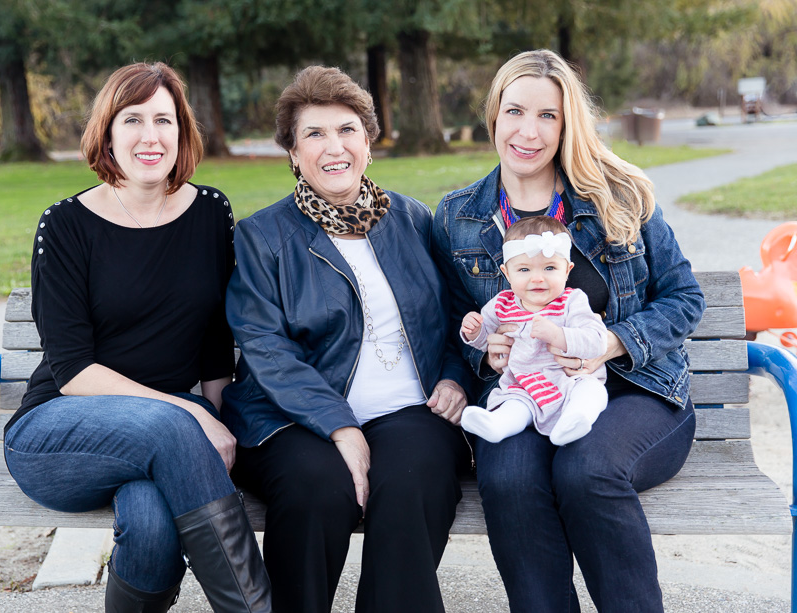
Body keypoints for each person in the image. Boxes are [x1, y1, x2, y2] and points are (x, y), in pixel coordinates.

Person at [432, 49, 705, 611]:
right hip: (527, 394)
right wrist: (486, 354)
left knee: (586, 470)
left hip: (639, 390)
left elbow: (685, 298)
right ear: (493, 117)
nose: (528, 132)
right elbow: (452, 328)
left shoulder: (617, 198)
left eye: (548, 116)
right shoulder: (457, 217)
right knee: (508, 480)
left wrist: (611, 342)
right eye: (515, 111)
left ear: (567, 124)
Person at [2, 62, 271, 613]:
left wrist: (214, 414)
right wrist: (192, 415)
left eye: (163, 120)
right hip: (57, 431)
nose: (151, 136)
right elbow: (73, 371)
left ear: (182, 131)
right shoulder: (66, 224)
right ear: (107, 133)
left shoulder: (209, 212)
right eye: (133, 120)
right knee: (169, 428)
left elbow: (216, 341)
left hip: (161, 442)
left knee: (152, 525)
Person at [222, 65, 472, 613]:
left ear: (368, 143)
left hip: (410, 407)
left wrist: (455, 374)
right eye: (313, 134)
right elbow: (265, 346)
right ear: (292, 152)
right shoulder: (262, 237)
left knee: (410, 482)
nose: (333, 147)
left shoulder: (413, 220)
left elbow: (458, 316)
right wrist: (340, 426)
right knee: (318, 488)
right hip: (291, 417)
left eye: (347, 130)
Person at [460, 216, 609, 446]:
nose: (537, 278)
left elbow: (598, 341)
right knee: (514, 405)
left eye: (550, 268)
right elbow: (487, 342)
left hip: (571, 380)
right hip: (525, 385)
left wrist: (559, 336)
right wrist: (475, 331)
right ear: (507, 273)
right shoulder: (501, 305)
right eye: (524, 269)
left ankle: (575, 420)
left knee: (592, 392)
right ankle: (496, 425)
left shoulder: (571, 301)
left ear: (567, 270)